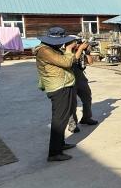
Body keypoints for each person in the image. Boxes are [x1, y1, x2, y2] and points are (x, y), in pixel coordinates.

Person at [34, 27, 90, 162]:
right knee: (59, 120)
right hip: (58, 88)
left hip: (65, 85)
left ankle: (60, 144)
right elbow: (67, 62)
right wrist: (69, 49)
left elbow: (71, 61)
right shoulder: (44, 50)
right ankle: (54, 153)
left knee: (63, 118)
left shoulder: (52, 49)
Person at [67, 35, 98, 134]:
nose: (78, 44)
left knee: (87, 97)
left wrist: (87, 52)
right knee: (72, 102)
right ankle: (72, 124)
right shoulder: (66, 51)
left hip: (80, 77)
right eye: (77, 42)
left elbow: (90, 62)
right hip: (69, 78)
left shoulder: (80, 51)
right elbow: (71, 61)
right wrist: (80, 49)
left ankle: (86, 118)